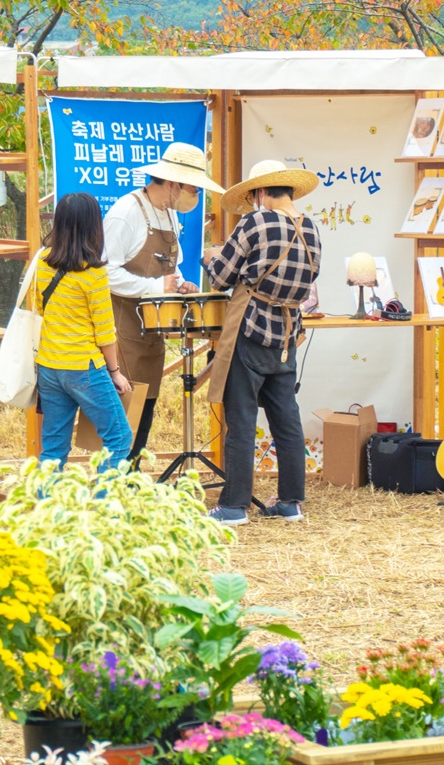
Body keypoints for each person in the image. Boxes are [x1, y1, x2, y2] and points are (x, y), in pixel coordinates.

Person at [201, 160, 322, 525]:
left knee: (240, 419)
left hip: (251, 329)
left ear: (260, 193)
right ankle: (290, 501)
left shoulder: (256, 222)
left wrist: (210, 256)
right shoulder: (312, 229)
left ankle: (234, 506)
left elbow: (221, 277)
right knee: (286, 419)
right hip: (286, 335)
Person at [103, 142, 224, 465]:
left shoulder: (169, 214)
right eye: (192, 188)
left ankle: (130, 478)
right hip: (122, 330)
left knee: (147, 408)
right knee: (125, 411)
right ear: (171, 182)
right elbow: (104, 272)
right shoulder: (125, 212)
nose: (195, 195)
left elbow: (173, 265)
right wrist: (156, 285)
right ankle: (114, 485)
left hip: (153, 333)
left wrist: (180, 283)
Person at [35, 192, 133, 473]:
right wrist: (114, 372)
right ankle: (105, 513)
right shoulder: (94, 274)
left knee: (53, 446)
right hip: (84, 368)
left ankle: (48, 512)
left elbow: (40, 309)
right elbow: (105, 333)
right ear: (94, 227)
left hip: (49, 365)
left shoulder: (42, 261)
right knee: (118, 438)